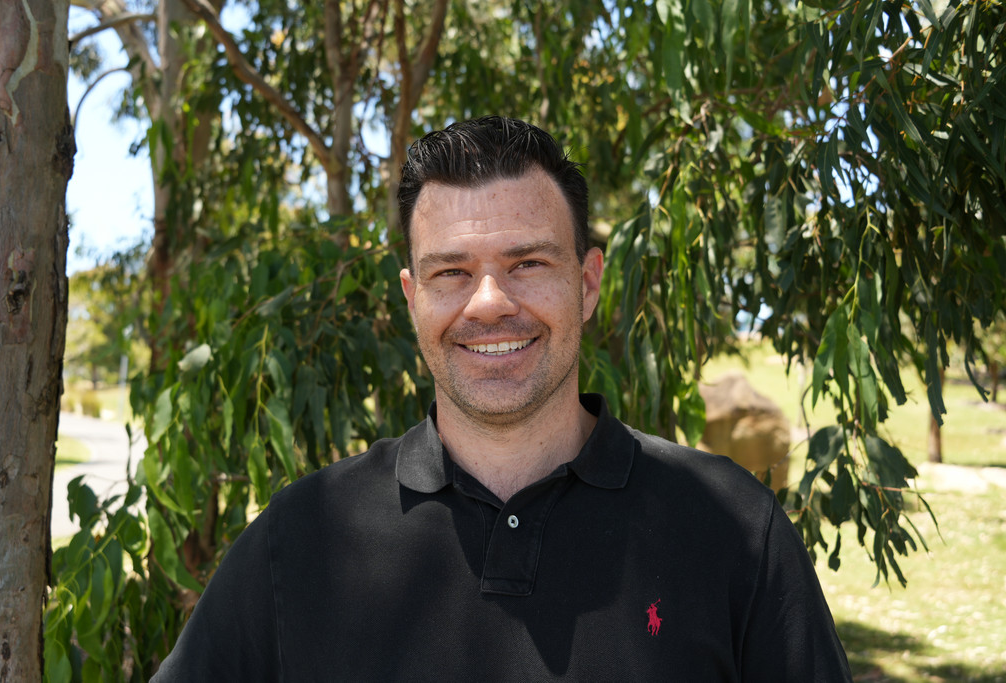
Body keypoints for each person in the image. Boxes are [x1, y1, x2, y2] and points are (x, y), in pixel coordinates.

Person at [153, 116, 852, 681]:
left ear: (587, 283)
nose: (489, 303)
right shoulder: (302, 539)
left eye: (528, 263)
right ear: (412, 299)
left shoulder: (733, 528)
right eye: (451, 272)